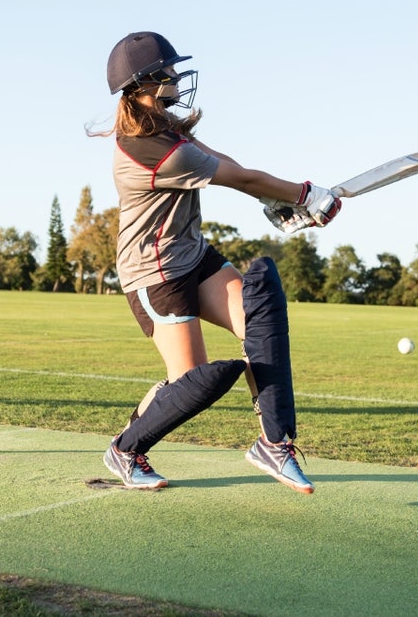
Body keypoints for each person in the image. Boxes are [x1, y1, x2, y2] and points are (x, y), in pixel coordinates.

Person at [90, 31, 342, 493]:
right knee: (186, 383)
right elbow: (241, 178)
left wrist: (280, 201)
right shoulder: (153, 149)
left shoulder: (167, 129)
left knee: (260, 329)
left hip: (195, 258)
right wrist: (305, 194)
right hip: (154, 274)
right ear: (146, 81)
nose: (177, 77)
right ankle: (125, 449)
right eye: (169, 71)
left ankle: (273, 443)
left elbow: (231, 166)